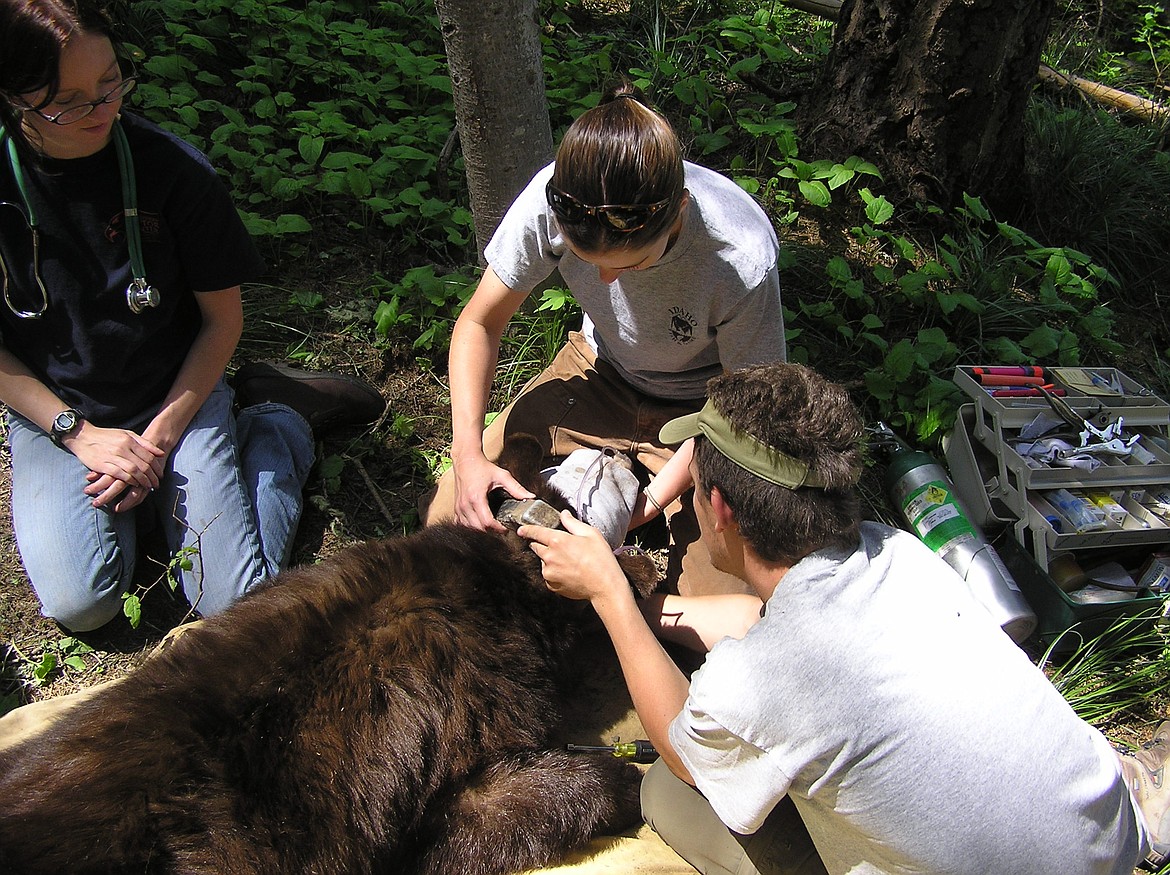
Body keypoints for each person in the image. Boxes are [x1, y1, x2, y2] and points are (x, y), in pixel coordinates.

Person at [520, 362, 1168, 875]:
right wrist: (643, 601)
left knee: (669, 793)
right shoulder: (901, 555)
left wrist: (609, 596)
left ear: (719, 509)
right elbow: (760, 619)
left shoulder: (753, 684)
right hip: (1100, 835)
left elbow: (688, 755)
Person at [0, 0, 384, 632]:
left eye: (110, 84)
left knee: (231, 605)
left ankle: (278, 423)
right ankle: (161, 497)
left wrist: (155, 443)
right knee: (83, 605)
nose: (103, 110)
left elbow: (221, 323)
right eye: (67, 101)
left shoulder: (172, 172)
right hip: (58, 412)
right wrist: (79, 434)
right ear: (15, 98)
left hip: (175, 390)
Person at [423, 80, 786, 597]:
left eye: (634, 264)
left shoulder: (739, 258)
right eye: (590, 265)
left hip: (705, 407)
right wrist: (467, 456)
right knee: (449, 518)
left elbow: (741, 410)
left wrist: (652, 503)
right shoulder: (557, 198)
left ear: (679, 210)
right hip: (597, 369)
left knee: (732, 596)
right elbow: (479, 323)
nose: (610, 283)